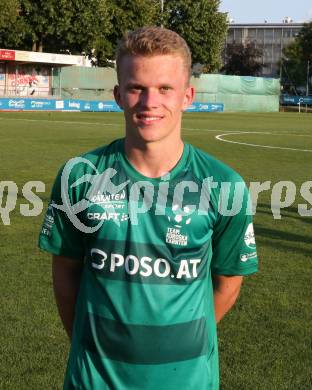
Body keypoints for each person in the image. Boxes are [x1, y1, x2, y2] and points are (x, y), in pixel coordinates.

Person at [39, 26, 258, 390]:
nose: (149, 102)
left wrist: (177, 339)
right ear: (118, 95)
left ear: (187, 95)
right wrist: (91, 346)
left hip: (187, 381)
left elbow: (228, 284)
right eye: (137, 88)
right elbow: (65, 275)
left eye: (164, 89)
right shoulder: (80, 176)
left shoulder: (224, 185)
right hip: (94, 381)